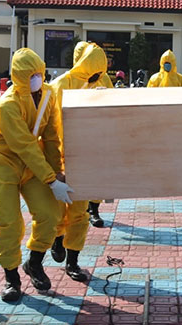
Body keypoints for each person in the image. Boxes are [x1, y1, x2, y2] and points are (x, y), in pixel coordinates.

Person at [0, 47, 71, 302]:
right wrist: (50, 180)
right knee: (9, 221)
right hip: (2, 162)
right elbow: (24, 145)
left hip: (33, 165)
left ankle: (34, 262)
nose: (37, 78)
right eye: (31, 74)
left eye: (40, 73)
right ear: (19, 76)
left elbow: (52, 137)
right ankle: (11, 277)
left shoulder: (48, 95)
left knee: (50, 214)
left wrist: (57, 172)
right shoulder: (7, 105)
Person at [50, 43, 109, 283]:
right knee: (55, 210)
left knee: (80, 214)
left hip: (87, 157)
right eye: (92, 70)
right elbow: (48, 124)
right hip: (60, 158)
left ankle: (72, 261)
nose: (96, 75)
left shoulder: (102, 84)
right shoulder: (60, 85)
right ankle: (56, 239)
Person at [73, 42, 111, 226]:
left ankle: (94, 210)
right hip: (74, 138)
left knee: (98, 175)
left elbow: (113, 102)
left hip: (98, 135)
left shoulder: (103, 79)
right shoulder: (69, 82)